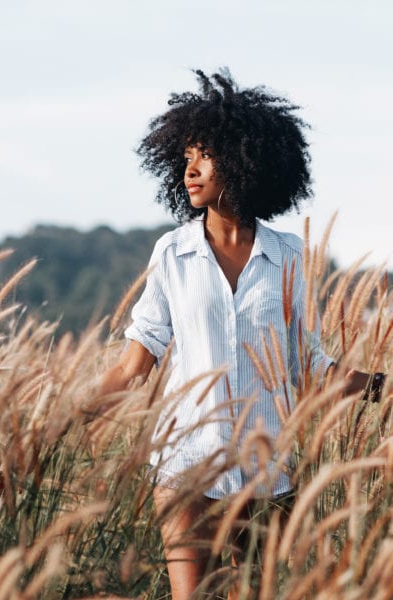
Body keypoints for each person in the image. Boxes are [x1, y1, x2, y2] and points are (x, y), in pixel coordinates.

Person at [100, 69, 377, 599]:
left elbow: (312, 368)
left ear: (247, 159)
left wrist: (380, 387)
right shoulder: (172, 253)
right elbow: (133, 367)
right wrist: (62, 421)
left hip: (268, 470)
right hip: (186, 465)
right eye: (186, 158)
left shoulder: (290, 255)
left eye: (206, 155)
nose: (192, 169)